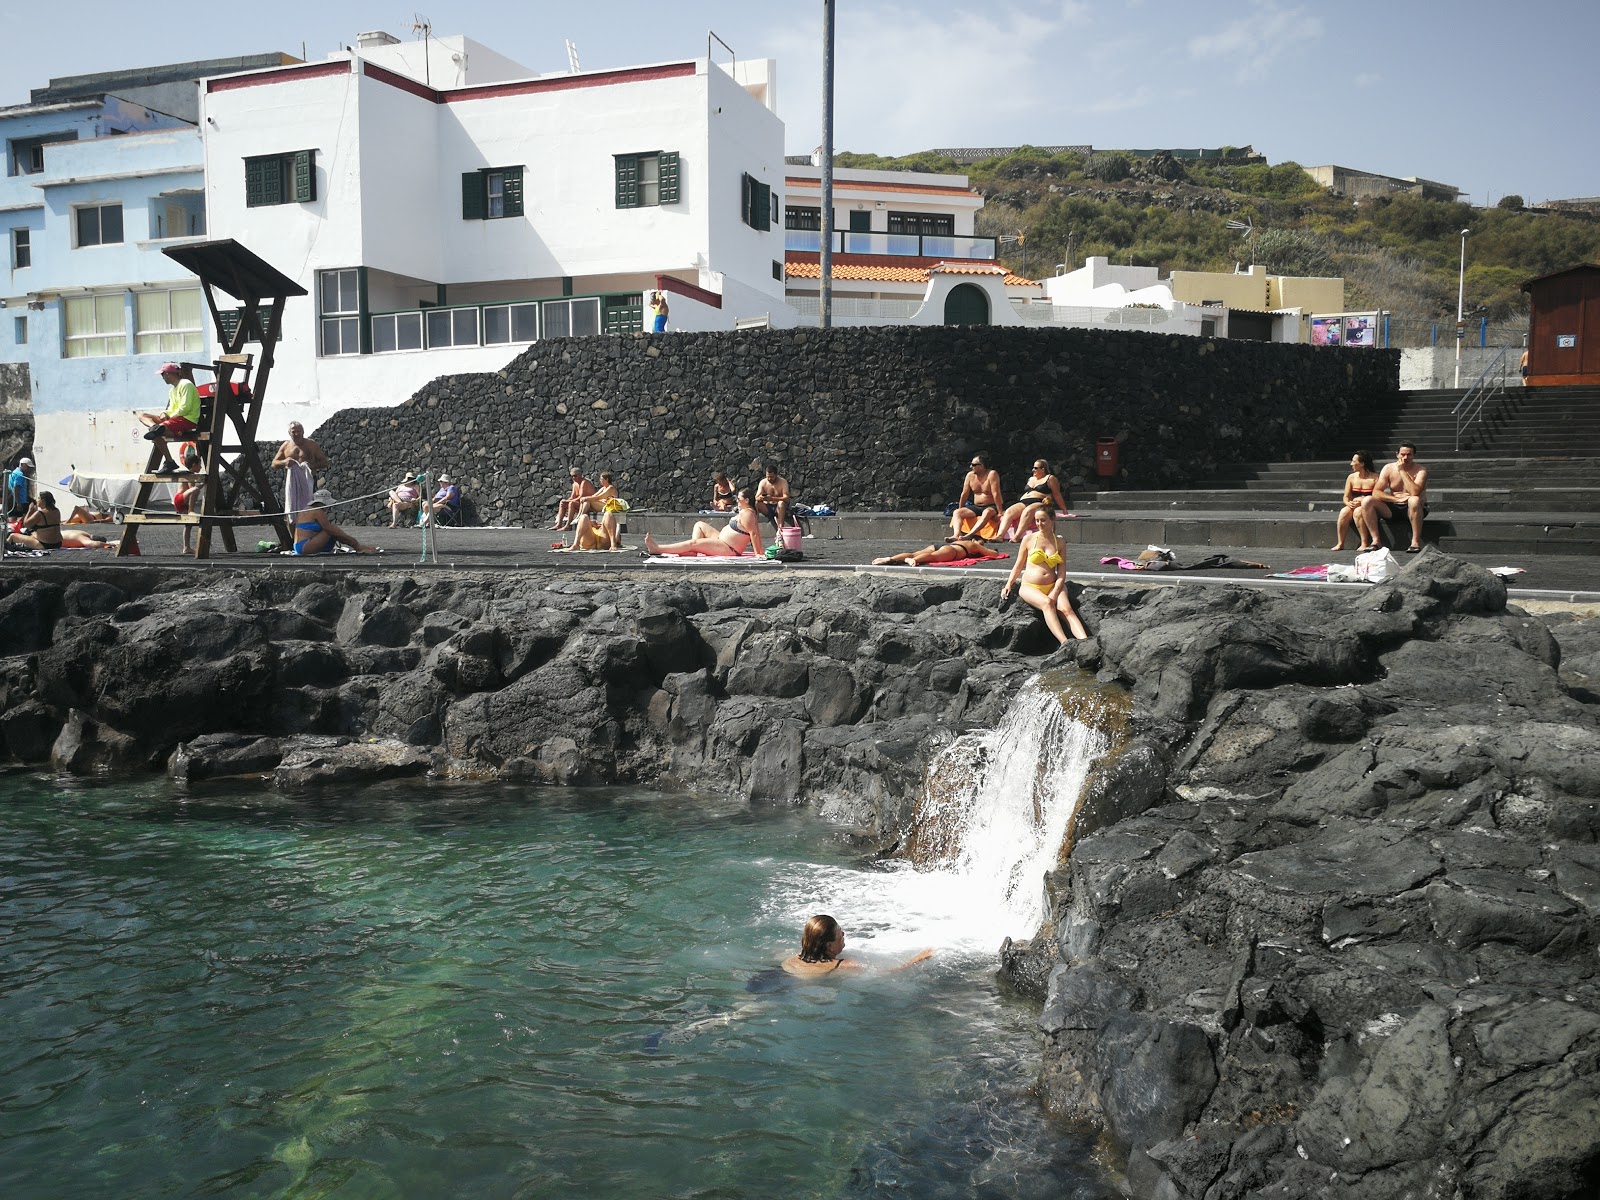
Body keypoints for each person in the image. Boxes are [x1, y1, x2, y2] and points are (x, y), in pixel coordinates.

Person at [1000, 508, 1089, 644]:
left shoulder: (1060, 542)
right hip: (1030, 586)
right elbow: (1018, 565)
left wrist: (1055, 592)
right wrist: (1009, 584)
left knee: (1066, 610)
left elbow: (1061, 572)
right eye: (1037, 520)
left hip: (1053, 584)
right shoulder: (1028, 539)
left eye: (1043, 520)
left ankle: (1085, 642)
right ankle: (1065, 643)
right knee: (1047, 603)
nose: (1039, 524)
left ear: (1052, 519)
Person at [780, 914, 934, 978]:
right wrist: (918, 959)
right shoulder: (843, 965)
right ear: (829, 946)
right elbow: (885, 974)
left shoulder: (793, 958)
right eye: (840, 934)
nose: (844, 935)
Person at [644, 487, 766, 558]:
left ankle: (657, 548)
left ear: (746, 500)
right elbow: (756, 533)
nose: (737, 502)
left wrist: (758, 553)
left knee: (694, 542)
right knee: (699, 525)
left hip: (728, 548)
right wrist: (760, 551)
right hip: (721, 540)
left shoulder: (748, 514)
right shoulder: (746, 512)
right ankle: (693, 552)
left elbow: (754, 534)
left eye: (739, 499)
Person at [1362, 443, 1430, 553]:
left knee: (1414, 499)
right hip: (1393, 507)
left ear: (1414, 456)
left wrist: (1402, 471)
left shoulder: (1421, 470)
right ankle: (1376, 541)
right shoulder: (1388, 468)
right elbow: (1376, 492)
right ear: (1397, 455)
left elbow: (1414, 492)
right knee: (1367, 500)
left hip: (1414, 508)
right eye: (1403, 454)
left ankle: (1415, 542)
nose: (1405, 458)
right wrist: (1396, 499)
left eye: (1409, 455)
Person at [139, 363, 201, 475]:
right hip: (174, 419)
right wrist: (164, 413)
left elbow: (185, 408)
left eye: (163, 375)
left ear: (168, 374)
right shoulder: (172, 391)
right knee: (143, 416)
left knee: (159, 430)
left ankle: (157, 430)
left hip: (187, 419)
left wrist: (169, 416)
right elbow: (171, 409)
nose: (162, 378)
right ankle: (155, 429)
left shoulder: (186, 384)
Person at [270, 421, 330, 518]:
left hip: (309, 482)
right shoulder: (286, 446)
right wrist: (284, 462)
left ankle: (308, 532)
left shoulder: (311, 445)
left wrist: (310, 466)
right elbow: (274, 464)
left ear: (303, 432)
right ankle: (293, 533)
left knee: (309, 511)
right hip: (292, 484)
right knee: (291, 511)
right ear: (289, 433)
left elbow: (325, 462)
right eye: (294, 432)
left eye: (299, 431)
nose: (297, 434)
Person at [998, 458, 1069, 540]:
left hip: (1039, 501)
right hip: (1024, 501)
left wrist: (1064, 509)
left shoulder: (1050, 478)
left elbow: (1057, 494)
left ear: (1043, 469)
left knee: (1028, 511)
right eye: (1033, 468)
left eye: (1035, 468)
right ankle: (999, 536)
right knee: (1009, 511)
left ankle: (1016, 537)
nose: (1033, 470)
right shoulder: (1031, 479)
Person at [293, 490, 377, 555]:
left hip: (299, 546)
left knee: (332, 531)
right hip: (305, 546)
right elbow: (329, 529)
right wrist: (354, 543)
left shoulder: (306, 509)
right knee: (331, 530)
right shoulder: (317, 511)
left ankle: (357, 546)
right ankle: (358, 547)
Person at [561, 471, 626, 549]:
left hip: (606, 511)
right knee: (584, 516)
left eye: (601, 479)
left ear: (607, 479)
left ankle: (613, 544)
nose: (600, 481)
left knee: (608, 514)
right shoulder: (602, 488)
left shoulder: (610, 488)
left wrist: (586, 498)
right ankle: (576, 540)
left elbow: (598, 498)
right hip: (591, 537)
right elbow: (594, 496)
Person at [1332, 451, 1380, 552]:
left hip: (1367, 507)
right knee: (1344, 512)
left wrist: (1362, 501)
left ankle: (1364, 542)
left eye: (1354, 461)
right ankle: (1340, 543)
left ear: (1362, 463)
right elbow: (1346, 496)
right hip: (1353, 504)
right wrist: (1348, 503)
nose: (1351, 464)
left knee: (1358, 512)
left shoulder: (1375, 477)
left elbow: (1377, 496)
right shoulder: (1351, 477)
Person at [948, 453, 1003, 540]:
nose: (971, 466)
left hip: (990, 506)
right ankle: (956, 535)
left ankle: (970, 534)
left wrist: (1000, 512)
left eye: (974, 465)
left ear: (981, 466)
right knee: (957, 512)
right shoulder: (970, 475)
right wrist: (960, 508)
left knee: (987, 512)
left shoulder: (991, 474)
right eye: (971, 464)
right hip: (976, 506)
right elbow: (964, 494)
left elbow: (996, 493)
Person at [871, 536, 1005, 567]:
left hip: (941, 545)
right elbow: (992, 554)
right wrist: (991, 551)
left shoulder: (961, 539)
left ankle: (891, 558)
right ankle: (915, 561)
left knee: (914, 553)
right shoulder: (973, 544)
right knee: (933, 557)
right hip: (953, 550)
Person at [173, 445, 206, 553]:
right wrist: (202, 485)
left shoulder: (188, 474)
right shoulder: (190, 476)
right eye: (199, 465)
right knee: (195, 490)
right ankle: (191, 510)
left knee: (188, 525)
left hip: (181, 502)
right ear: (194, 465)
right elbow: (192, 493)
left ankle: (186, 547)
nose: (201, 467)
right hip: (180, 499)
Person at [754, 465, 792, 529]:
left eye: (772, 477)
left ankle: (780, 528)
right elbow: (756, 497)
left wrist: (772, 498)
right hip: (768, 507)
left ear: (776, 475)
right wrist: (762, 498)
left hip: (779, 507)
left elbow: (786, 498)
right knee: (756, 503)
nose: (769, 479)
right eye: (768, 477)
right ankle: (755, 526)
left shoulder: (783, 482)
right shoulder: (763, 482)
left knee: (781, 503)